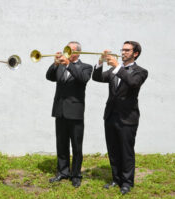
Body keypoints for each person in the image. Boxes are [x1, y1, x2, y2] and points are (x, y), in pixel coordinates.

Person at [92, 41, 148, 195]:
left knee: (126, 151)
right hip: (110, 116)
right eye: (122, 50)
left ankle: (127, 183)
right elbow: (97, 78)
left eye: (127, 50)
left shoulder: (141, 71)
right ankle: (116, 179)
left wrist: (117, 66)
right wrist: (100, 62)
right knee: (114, 150)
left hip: (128, 118)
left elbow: (133, 83)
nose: (123, 53)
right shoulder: (113, 70)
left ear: (135, 53)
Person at [46, 41, 93, 188]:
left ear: (78, 53)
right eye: (66, 49)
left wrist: (68, 65)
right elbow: (49, 77)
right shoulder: (60, 66)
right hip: (60, 111)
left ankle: (76, 174)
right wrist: (55, 63)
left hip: (75, 111)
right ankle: (63, 171)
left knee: (77, 146)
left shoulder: (86, 67)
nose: (67, 52)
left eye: (70, 50)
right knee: (61, 144)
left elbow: (82, 79)